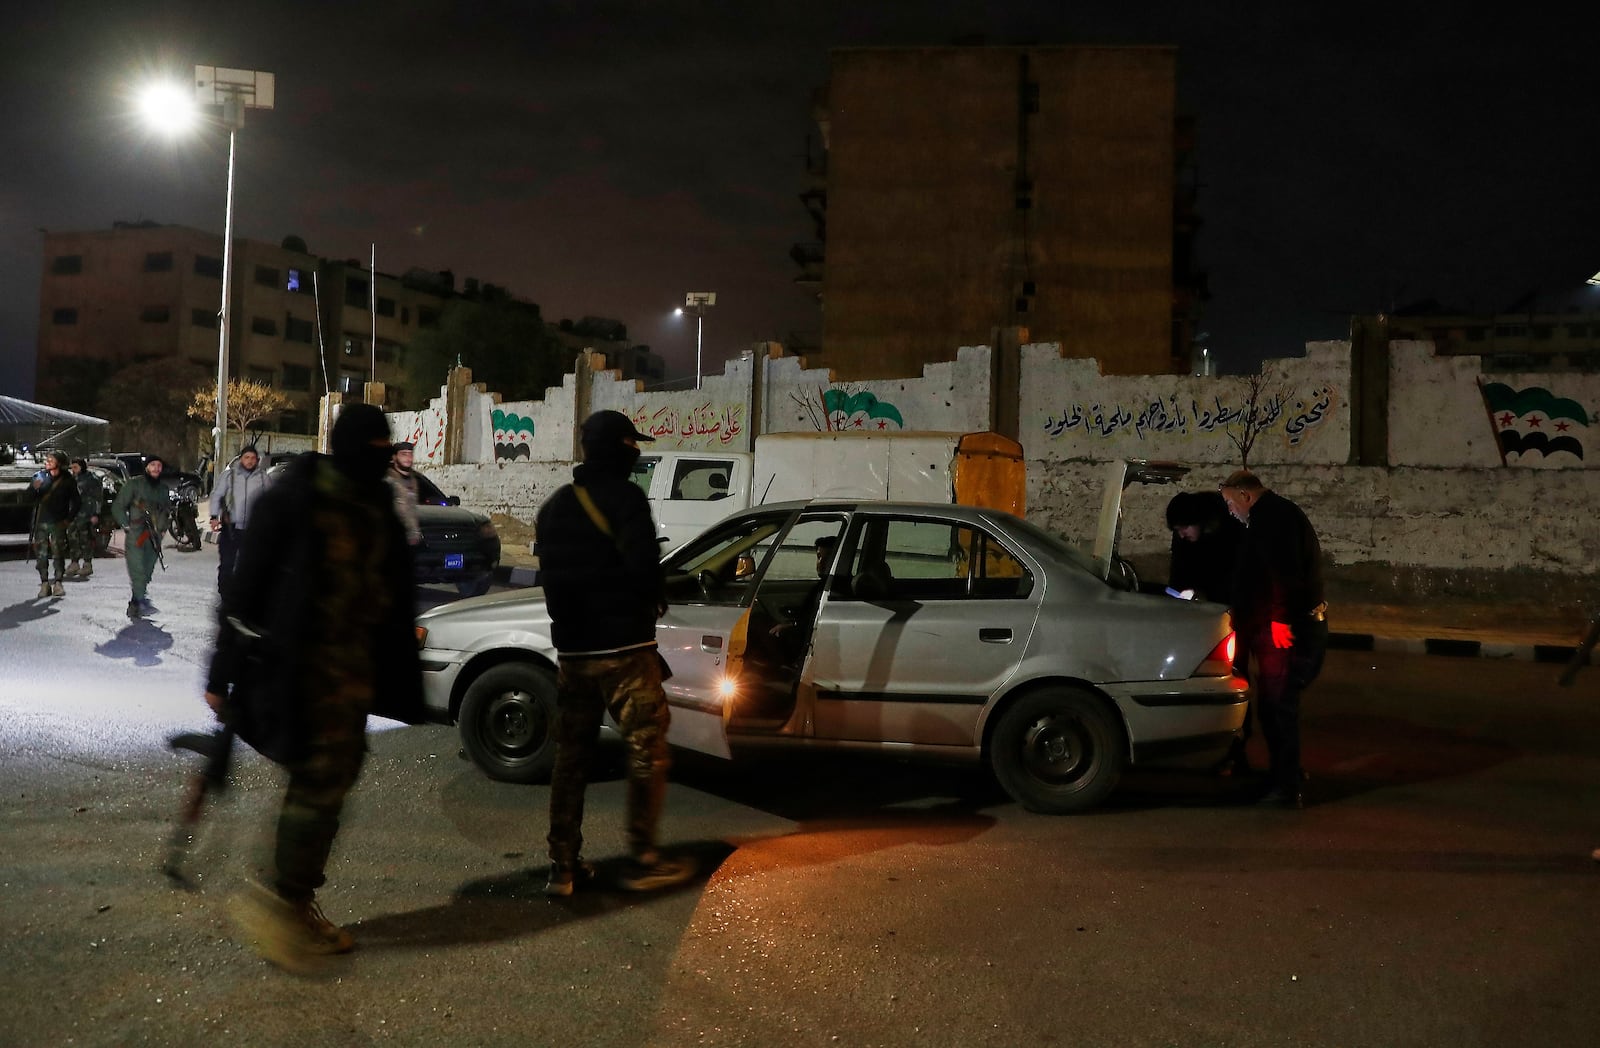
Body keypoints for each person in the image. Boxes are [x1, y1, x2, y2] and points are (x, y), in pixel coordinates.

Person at [205, 403, 424, 972]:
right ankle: (287, 900)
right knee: (321, 778)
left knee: (331, 773)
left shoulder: (376, 502)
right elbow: (242, 592)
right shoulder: (294, 497)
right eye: (373, 447)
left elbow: (395, 592)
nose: (382, 458)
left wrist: (401, 672)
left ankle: (288, 889)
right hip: (296, 667)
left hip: (353, 669)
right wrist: (219, 673)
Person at [534, 409, 693, 896]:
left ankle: (563, 867)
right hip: (625, 648)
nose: (638, 453)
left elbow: (551, 582)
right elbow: (644, 566)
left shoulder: (555, 506)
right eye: (633, 445)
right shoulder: (626, 498)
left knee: (571, 760)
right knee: (646, 749)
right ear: (621, 447)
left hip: (575, 654)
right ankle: (644, 856)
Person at [1220, 469, 1327, 809]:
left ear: (1245, 496)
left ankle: (1286, 785)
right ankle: (1285, 773)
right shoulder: (1275, 514)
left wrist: (1280, 621)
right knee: (1273, 705)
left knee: (1278, 706)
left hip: (1286, 630)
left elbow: (1284, 573)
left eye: (1229, 503)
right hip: (1280, 626)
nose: (1230, 511)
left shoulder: (1272, 519)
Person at [111, 456, 170, 617]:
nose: (156, 468)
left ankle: (136, 601)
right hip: (136, 534)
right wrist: (125, 524)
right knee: (137, 569)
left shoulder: (163, 489)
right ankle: (140, 601)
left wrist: (163, 530)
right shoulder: (134, 485)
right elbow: (117, 506)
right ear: (146, 468)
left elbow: (166, 510)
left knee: (147, 570)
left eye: (159, 465)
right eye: (153, 465)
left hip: (154, 536)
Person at [1165, 490, 1243, 605]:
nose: (1181, 535)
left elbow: (1233, 578)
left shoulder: (1231, 534)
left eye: (1184, 527)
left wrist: (1205, 595)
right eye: (1177, 530)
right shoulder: (1183, 539)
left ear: (1198, 520)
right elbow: (1177, 572)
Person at [208, 445, 272, 584]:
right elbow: (217, 495)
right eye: (246, 457)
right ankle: (225, 594)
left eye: (253, 458)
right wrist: (214, 516)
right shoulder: (229, 475)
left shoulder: (263, 478)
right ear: (240, 459)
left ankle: (243, 595)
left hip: (253, 529)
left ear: (257, 460)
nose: (250, 461)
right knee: (227, 563)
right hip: (231, 527)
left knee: (249, 565)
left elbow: (271, 501)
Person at [29, 452, 80, 599]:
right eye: (48, 459)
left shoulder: (67, 480)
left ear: (60, 463)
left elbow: (77, 502)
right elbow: (28, 497)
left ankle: (58, 582)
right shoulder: (39, 476)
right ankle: (45, 583)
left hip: (58, 522)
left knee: (58, 553)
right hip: (41, 522)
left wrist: (69, 519)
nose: (48, 461)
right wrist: (34, 489)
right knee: (41, 554)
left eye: (52, 459)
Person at [65, 458, 103, 580]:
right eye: (72, 467)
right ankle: (74, 562)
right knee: (72, 537)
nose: (73, 470)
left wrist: (96, 514)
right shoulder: (71, 479)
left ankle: (87, 564)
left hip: (86, 513)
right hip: (73, 514)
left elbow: (98, 497)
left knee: (85, 539)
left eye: (76, 467)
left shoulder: (91, 479)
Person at [386, 441, 422, 546]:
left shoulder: (413, 481)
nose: (408, 458)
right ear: (394, 457)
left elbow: (411, 511)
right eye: (403, 454)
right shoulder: (388, 480)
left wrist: (415, 534)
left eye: (410, 454)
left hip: (410, 540)